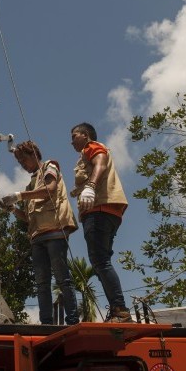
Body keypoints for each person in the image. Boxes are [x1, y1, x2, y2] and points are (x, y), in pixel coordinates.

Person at [0, 140, 79, 325]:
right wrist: (12, 209)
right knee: (42, 282)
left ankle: (73, 320)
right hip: (37, 236)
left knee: (62, 278)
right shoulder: (31, 186)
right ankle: (46, 322)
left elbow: (50, 190)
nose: (23, 165)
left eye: (24, 160)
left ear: (34, 155)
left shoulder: (50, 167)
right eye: (19, 163)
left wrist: (18, 196)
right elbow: (28, 217)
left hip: (55, 231)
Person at [69, 122, 132, 323]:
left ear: (85, 136)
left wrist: (91, 186)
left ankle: (120, 309)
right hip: (108, 211)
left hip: (100, 210)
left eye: (74, 136)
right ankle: (117, 309)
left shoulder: (92, 147)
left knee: (100, 261)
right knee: (101, 261)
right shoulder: (84, 156)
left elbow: (100, 163)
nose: (72, 141)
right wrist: (80, 189)